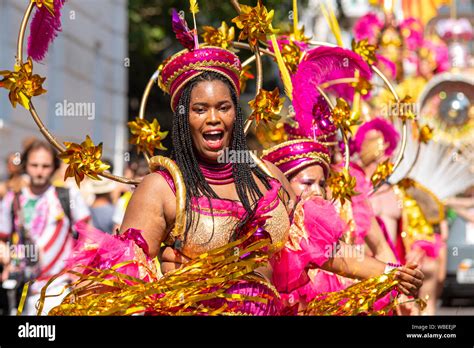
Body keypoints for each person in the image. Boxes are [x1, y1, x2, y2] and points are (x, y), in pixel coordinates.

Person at [0, 140, 90, 315]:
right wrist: (6, 255)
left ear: (54, 166)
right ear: (26, 165)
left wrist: (79, 269)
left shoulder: (67, 195)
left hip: (58, 289)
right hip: (21, 291)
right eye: (34, 165)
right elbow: (2, 238)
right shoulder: (12, 198)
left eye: (45, 166)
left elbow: (88, 236)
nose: (39, 171)